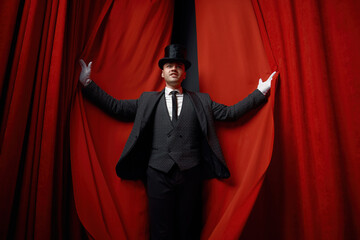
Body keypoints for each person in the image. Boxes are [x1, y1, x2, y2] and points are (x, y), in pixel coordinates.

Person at [79, 44, 276, 240]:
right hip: (157, 173)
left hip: (190, 174)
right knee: (160, 230)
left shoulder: (202, 101)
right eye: (169, 66)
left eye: (179, 66)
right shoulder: (147, 100)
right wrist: (88, 83)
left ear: (184, 74)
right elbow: (117, 108)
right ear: (162, 74)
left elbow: (230, 113)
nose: (174, 68)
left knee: (188, 229)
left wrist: (260, 92)